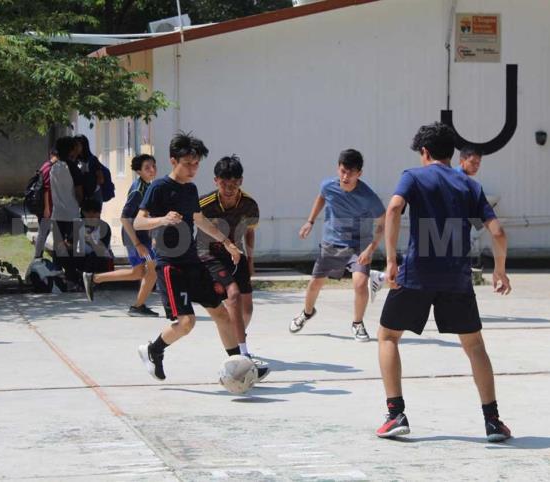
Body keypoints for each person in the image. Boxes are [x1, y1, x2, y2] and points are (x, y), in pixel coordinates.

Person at [376, 122, 511, 442]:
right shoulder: (469, 185)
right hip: (457, 278)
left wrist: (391, 259)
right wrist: (500, 269)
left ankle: (396, 414)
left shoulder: (412, 176)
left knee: (387, 337)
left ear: (424, 152)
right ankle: (492, 421)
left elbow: (394, 208)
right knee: (475, 345)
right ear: (452, 153)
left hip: (417, 275)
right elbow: (498, 233)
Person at [134, 132, 268, 382]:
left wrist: (227, 242)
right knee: (187, 322)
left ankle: (240, 366)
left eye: (196, 164)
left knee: (222, 315)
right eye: (188, 164)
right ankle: (153, 350)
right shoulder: (159, 187)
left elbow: (199, 220)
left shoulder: (191, 188)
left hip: (192, 261)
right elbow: (138, 221)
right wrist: (162, 220)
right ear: (173, 161)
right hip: (170, 264)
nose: (193, 168)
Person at [289, 149, 385, 342]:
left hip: (359, 245)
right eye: (342, 171)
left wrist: (371, 248)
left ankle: (357, 323)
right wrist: (310, 221)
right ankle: (307, 313)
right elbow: (322, 197)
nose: (345, 176)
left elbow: (383, 221)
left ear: (360, 173)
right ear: (338, 168)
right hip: (332, 242)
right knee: (315, 283)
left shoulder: (368, 197)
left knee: (359, 284)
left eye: (351, 172)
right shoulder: (328, 185)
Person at [196, 155, 259, 357]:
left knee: (247, 309)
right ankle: (241, 352)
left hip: (236, 256)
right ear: (216, 181)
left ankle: (236, 337)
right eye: (224, 183)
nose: (229, 188)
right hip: (208, 255)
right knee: (232, 295)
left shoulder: (249, 205)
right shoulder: (203, 204)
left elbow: (250, 231)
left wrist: (250, 260)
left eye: (234, 183)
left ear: (240, 181)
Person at [83, 154, 160, 317]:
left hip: (139, 237)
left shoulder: (147, 186)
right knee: (153, 269)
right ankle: (138, 307)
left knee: (138, 273)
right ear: (138, 171)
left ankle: (94, 278)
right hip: (135, 237)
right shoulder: (139, 190)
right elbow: (125, 218)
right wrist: (138, 244)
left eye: (154, 166)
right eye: (147, 167)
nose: (152, 170)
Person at [50, 136, 83, 287]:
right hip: (72, 213)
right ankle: (71, 279)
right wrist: (81, 203)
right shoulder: (72, 167)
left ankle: (57, 279)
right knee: (70, 248)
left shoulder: (54, 167)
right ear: (71, 150)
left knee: (58, 249)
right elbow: (78, 190)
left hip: (57, 213)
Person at [75, 198, 114, 275]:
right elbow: (72, 244)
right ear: (83, 212)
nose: (91, 215)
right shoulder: (78, 226)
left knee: (95, 256)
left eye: (94, 212)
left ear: (99, 213)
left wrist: (90, 241)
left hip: (102, 259)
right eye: (88, 212)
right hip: (85, 258)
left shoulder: (104, 227)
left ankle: (91, 278)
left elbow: (102, 250)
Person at [33, 149, 58, 260]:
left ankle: (38, 255)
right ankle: (37, 256)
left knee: (44, 231)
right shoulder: (49, 168)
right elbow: (46, 189)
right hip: (45, 206)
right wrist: (47, 208)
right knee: (43, 231)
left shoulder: (45, 165)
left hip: (43, 205)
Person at [75, 135, 104, 205]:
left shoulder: (93, 160)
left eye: (77, 145)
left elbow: (101, 179)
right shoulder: (75, 161)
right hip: (82, 196)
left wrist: (92, 189)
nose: (75, 148)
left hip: (94, 195)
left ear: (83, 146)